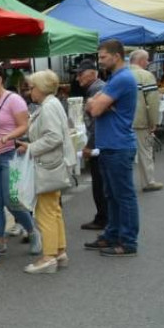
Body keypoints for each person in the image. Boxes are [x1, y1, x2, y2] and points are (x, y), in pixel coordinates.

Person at [16, 72, 76, 274]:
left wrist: (30, 148)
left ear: (41, 87)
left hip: (48, 166)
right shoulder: (53, 103)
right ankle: (59, 251)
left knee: (45, 212)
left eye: (31, 87)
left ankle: (48, 257)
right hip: (54, 164)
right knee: (53, 209)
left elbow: (53, 137)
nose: (29, 91)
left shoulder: (48, 106)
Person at [0, 62, 39, 255]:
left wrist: (7, 137)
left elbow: (24, 126)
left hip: (10, 155)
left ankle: (33, 232)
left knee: (12, 200)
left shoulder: (14, 100)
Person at [85, 39, 140, 257]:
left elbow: (95, 109)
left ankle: (128, 242)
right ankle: (112, 235)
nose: (100, 61)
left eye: (103, 57)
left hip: (118, 145)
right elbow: (92, 104)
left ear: (116, 56)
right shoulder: (115, 78)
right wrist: (100, 104)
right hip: (111, 145)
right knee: (112, 195)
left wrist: (99, 104)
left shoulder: (122, 78)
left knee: (123, 196)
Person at [77, 59, 108, 230]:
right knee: (100, 183)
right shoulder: (96, 88)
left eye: (80, 74)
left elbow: (98, 122)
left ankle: (103, 219)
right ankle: (104, 217)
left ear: (91, 73)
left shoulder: (97, 89)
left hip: (100, 144)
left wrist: (90, 145)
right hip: (101, 142)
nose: (77, 78)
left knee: (100, 184)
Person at [129, 49, 163, 192]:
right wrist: (153, 121)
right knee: (145, 151)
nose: (148, 62)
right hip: (140, 121)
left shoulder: (120, 75)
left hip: (122, 121)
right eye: (147, 59)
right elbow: (152, 101)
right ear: (141, 60)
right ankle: (148, 182)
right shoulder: (145, 75)